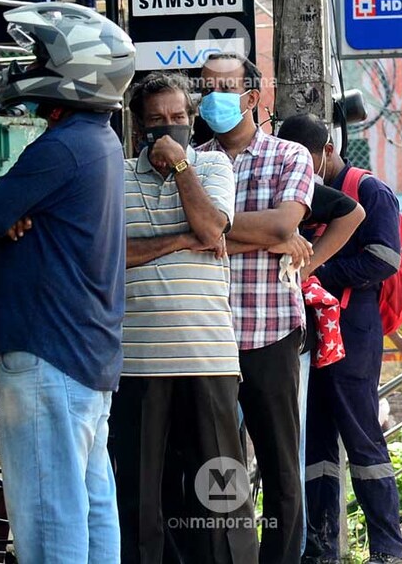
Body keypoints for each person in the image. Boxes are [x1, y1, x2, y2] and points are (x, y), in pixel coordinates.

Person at [0, 3, 135, 562]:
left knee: (46, 511)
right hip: (83, 353)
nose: (30, 64)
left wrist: (0, 211)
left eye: (41, 55)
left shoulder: (62, 147)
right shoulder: (100, 141)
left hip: (47, 353)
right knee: (90, 501)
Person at [106, 71, 258, 563]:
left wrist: (179, 168)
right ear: (137, 127)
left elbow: (213, 227)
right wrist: (178, 241)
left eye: (177, 118)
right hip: (137, 364)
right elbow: (110, 254)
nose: (168, 128)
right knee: (140, 499)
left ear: (191, 120)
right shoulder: (116, 175)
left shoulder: (212, 164)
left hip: (206, 356)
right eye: (155, 121)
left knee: (220, 497)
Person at [196, 52, 314, 564]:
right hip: (203, 335)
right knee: (211, 465)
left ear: (251, 97)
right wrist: (257, 234)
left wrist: (211, 230)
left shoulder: (289, 156)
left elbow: (283, 227)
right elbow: (185, 234)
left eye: (224, 87)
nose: (212, 97)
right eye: (205, 87)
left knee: (280, 466)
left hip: (270, 330)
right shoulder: (191, 162)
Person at [278, 113, 402, 564]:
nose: (301, 169)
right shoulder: (293, 189)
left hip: (354, 326)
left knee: (361, 435)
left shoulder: (368, 190)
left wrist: (318, 272)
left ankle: (388, 548)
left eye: (307, 159)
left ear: (327, 150)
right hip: (305, 327)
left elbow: (386, 257)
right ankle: (321, 547)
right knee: (315, 439)